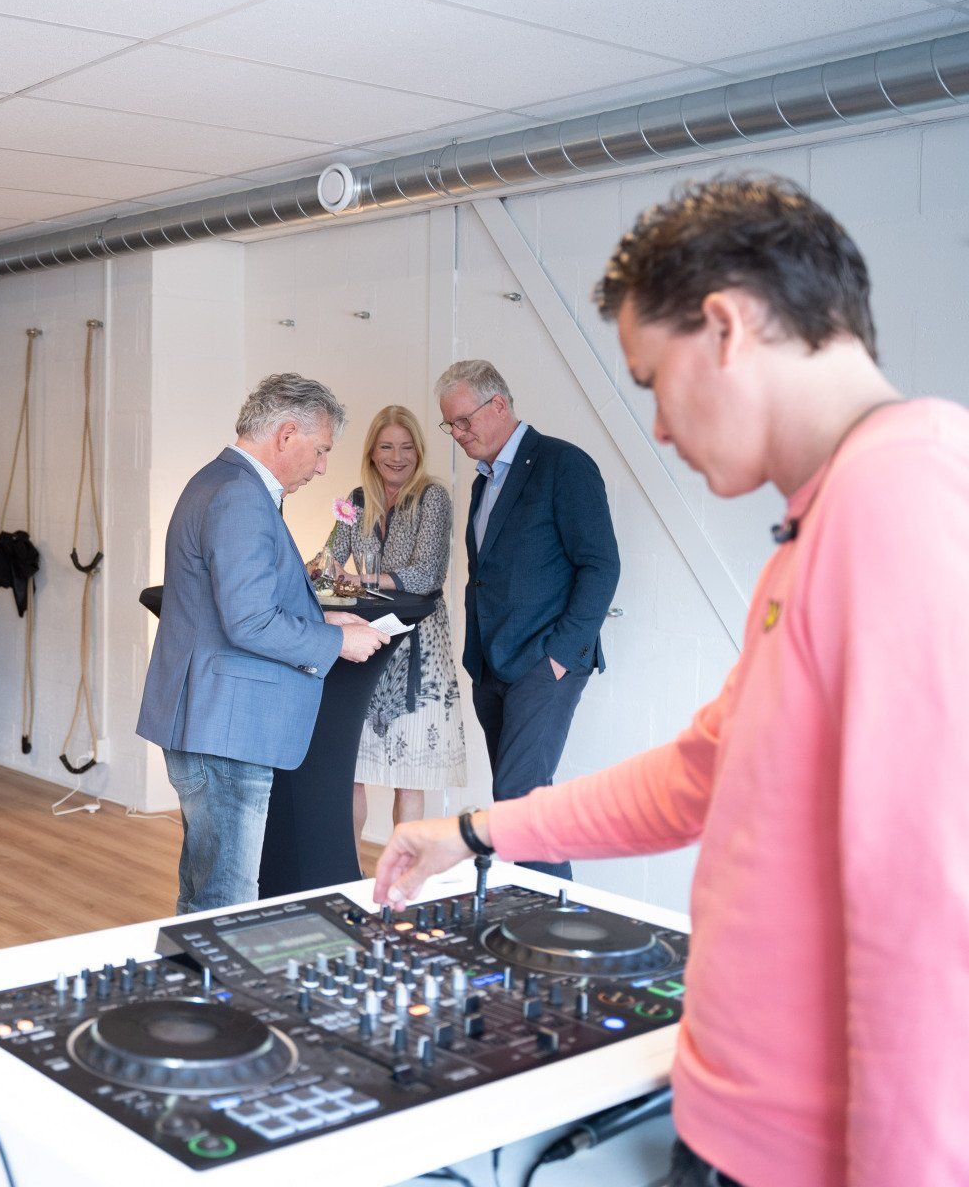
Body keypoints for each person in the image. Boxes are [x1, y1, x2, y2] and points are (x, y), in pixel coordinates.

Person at [376, 175, 969, 1187]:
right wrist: (472, 831)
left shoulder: (904, 508)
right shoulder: (828, 521)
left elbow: (931, 926)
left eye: (652, 379)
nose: (655, 424)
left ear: (729, 327)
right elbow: (701, 771)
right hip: (733, 1121)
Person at [138, 373, 389, 914]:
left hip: (218, 719)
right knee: (225, 898)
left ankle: (206, 990)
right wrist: (335, 643)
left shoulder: (221, 482)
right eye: (320, 450)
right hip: (227, 725)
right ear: (287, 434)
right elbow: (248, 622)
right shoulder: (239, 497)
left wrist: (327, 617)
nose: (323, 466)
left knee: (211, 889)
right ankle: (216, 995)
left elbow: (237, 600)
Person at [434, 358, 619, 881]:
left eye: (464, 421)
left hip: (545, 661)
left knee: (518, 799)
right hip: (493, 664)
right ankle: (541, 919)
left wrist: (562, 656)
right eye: (451, 426)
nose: (458, 434)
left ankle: (551, 931)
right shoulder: (481, 484)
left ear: (500, 404)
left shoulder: (564, 465)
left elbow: (601, 564)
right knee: (519, 799)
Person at [321, 406, 465, 840]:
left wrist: (359, 579)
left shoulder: (432, 498)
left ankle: (404, 876)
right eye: (386, 446)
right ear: (372, 451)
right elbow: (328, 562)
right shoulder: (357, 500)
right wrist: (319, 573)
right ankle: (347, 872)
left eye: (406, 447)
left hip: (417, 646)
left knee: (411, 772)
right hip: (363, 642)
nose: (396, 456)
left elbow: (426, 576)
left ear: (418, 451)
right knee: (352, 767)